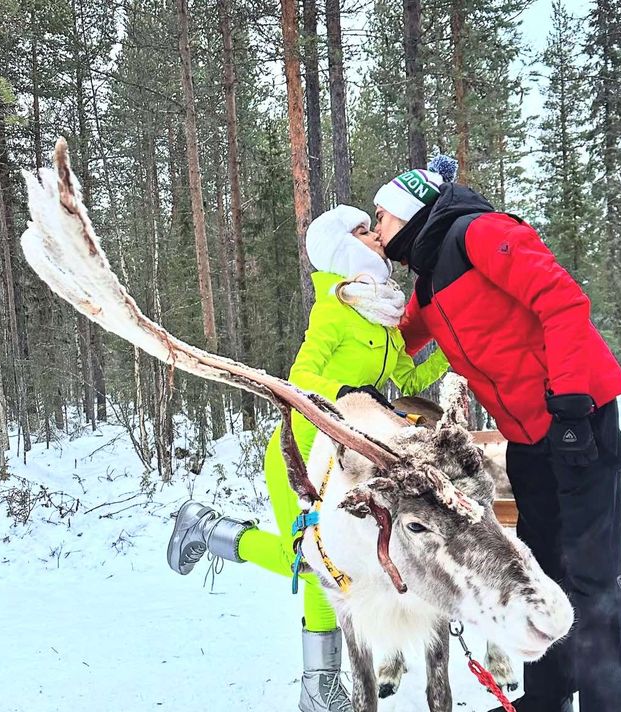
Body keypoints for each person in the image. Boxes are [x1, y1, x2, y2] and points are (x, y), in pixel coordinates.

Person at [372, 156, 621, 712]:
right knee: (543, 569)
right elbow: (397, 347)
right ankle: (545, 700)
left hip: (577, 419)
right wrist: (352, 302)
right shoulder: (429, 282)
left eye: (381, 217)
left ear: (410, 209)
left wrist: (567, 403)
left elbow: (561, 301)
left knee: (592, 577)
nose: (376, 229)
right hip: (527, 438)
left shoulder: (479, 232)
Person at [165, 205, 450, 712]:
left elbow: (405, 382)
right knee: (310, 559)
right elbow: (302, 377)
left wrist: (457, 345)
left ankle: (316, 689)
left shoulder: (380, 314)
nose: (375, 237)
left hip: (346, 451)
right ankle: (209, 531)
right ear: (342, 248)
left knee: (332, 563)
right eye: (362, 231)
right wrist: (349, 394)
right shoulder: (333, 308)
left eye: (371, 228)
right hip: (302, 450)